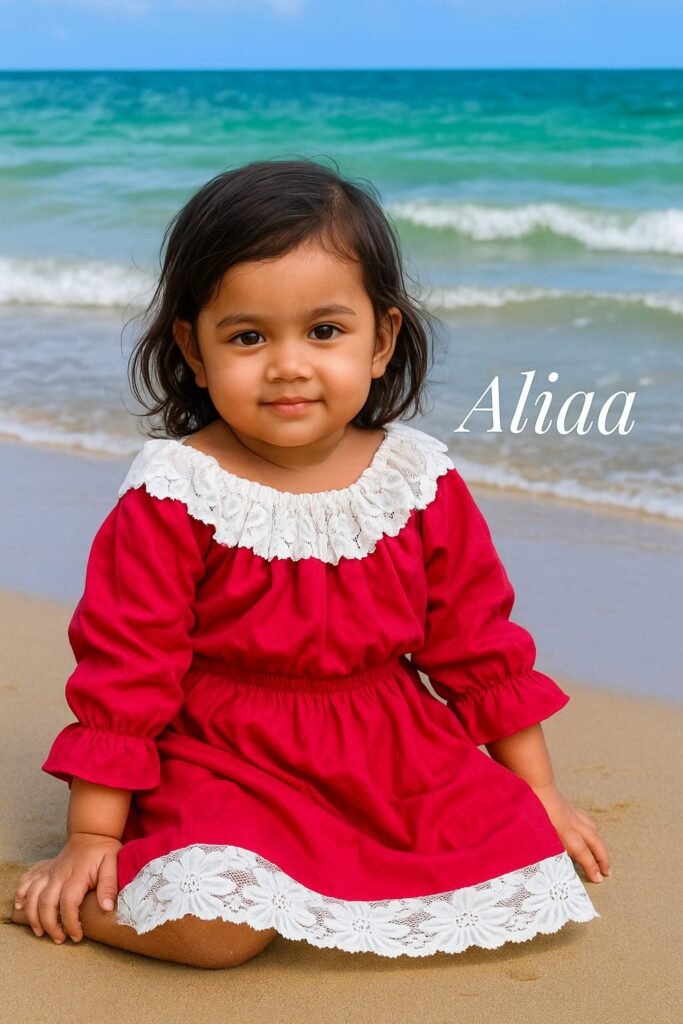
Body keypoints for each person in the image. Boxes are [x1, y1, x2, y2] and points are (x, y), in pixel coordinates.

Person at [12, 158, 611, 968]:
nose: (288, 364)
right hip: (223, 757)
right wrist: (91, 837)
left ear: (381, 340)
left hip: (388, 755)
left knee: (526, 870)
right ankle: (50, 896)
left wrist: (539, 794)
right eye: (248, 337)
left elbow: (476, 646)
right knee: (217, 935)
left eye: (324, 331)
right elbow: (127, 669)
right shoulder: (178, 491)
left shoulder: (415, 480)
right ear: (193, 349)